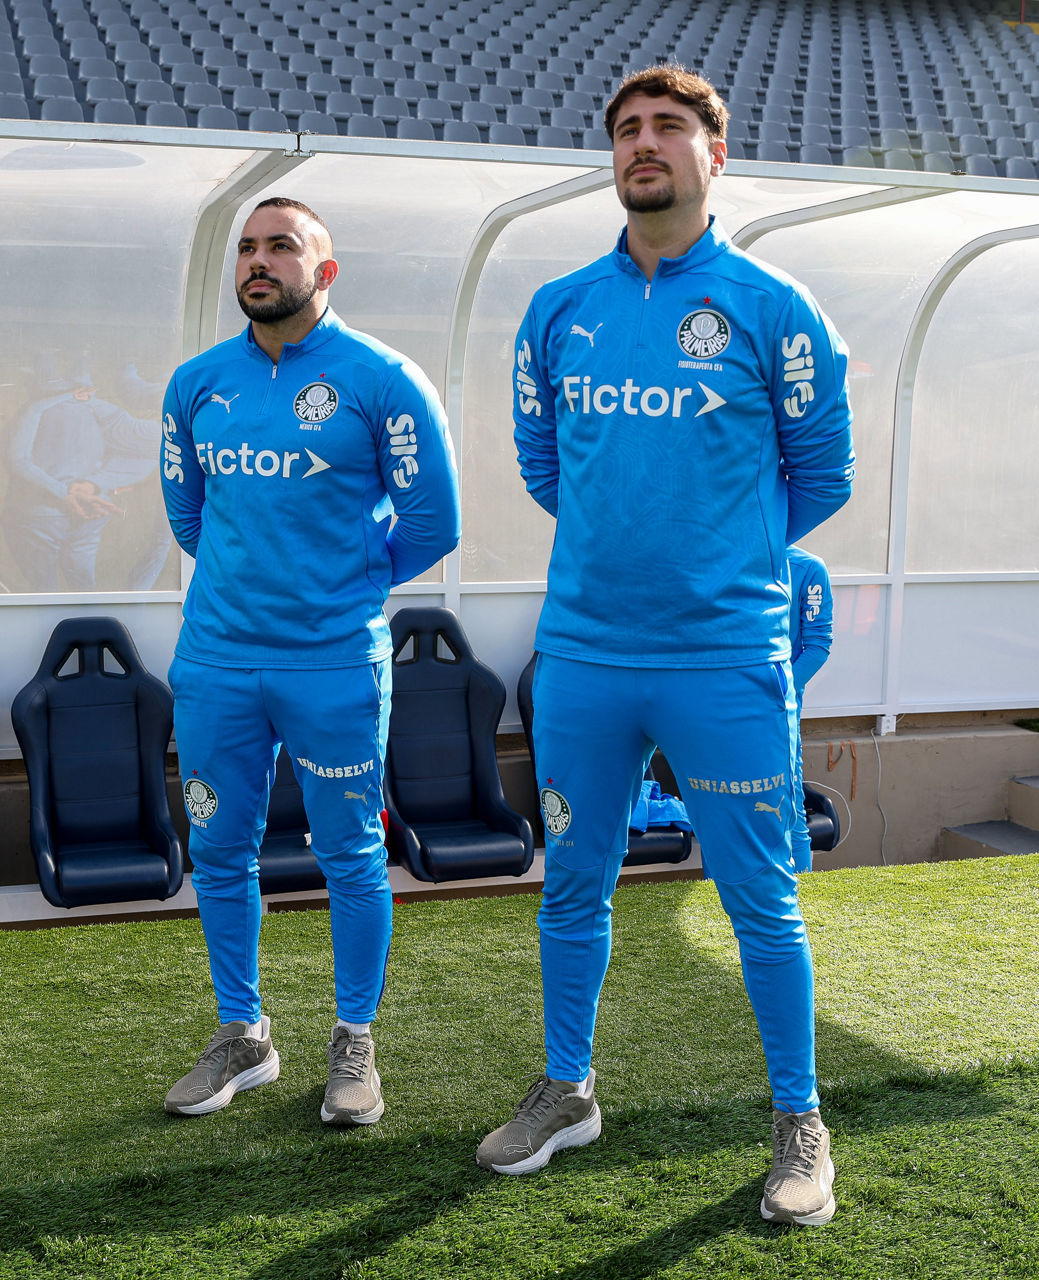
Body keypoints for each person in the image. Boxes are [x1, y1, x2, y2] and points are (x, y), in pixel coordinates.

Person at [476, 66, 854, 1229]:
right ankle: (567, 1089)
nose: (644, 143)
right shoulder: (559, 308)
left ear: (714, 154)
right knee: (571, 882)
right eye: (628, 129)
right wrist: (629, 548)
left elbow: (822, 472)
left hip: (724, 658)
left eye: (670, 127)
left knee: (761, 899)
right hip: (584, 658)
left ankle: (799, 1122)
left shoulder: (772, 307)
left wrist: (718, 558)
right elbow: (544, 464)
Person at [160, 197, 460, 1124]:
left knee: (350, 855)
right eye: (247, 248)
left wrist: (343, 583)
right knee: (218, 849)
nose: (258, 261)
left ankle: (353, 1041)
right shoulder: (196, 383)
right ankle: (242, 1034)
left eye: (281, 247)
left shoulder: (382, 378)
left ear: (324, 271)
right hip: (216, 661)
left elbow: (432, 523)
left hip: (332, 663)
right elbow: (188, 514)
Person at [3, 382, 158, 591]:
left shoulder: (35, 410)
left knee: (44, 591)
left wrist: (74, 490)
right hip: (88, 511)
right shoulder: (97, 411)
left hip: (42, 516)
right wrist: (93, 485)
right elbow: (150, 450)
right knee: (83, 590)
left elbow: (19, 461)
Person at [787, 545, 835, 873]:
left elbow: (818, 645)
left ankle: (800, 896)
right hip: (717, 710)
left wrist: (779, 691)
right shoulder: (721, 555)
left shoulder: (808, 568)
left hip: (776, 713)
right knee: (721, 818)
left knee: (790, 811)